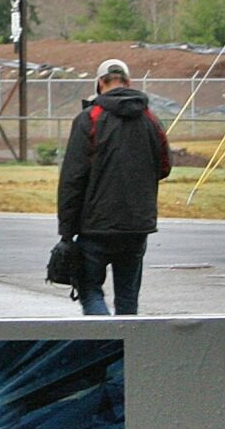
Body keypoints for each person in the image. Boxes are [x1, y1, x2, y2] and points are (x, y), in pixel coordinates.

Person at [56, 57, 173, 315]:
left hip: (95, 227)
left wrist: (66, 233)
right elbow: (164, 167)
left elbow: (72, 179)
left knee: (90, 291)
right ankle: (126, 349)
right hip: (136, 227)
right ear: (129, 82)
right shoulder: (150, 120)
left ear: (100, 83)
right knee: (128, 299)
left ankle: (106, 341)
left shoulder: (90, 119)